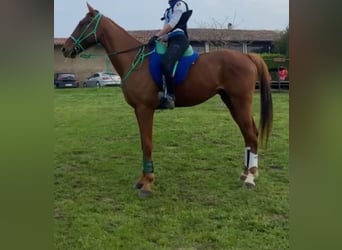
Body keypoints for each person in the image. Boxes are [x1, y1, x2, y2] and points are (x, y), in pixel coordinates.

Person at [149, 0, 193, 109]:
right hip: (171, 40)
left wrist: (156, 35)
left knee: (165, 63)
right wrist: (159, 38)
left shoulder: (179, 5)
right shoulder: (168, 10)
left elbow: (172, 24)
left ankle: (171, 96)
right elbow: (167, 31)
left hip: (180, 40)